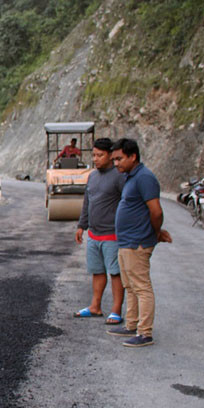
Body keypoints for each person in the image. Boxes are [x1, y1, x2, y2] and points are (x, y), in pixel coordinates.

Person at [105, 139, 172, 347]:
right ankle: (132, 324)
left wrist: (155, 232)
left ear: (133, 156)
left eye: (119, 159)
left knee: (141, 287)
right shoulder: (129, 178)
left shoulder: (144, 178)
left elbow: (156, 211)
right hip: (125, 242)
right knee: (130, 285)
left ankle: (145, 333)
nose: (116, 163)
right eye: (114, 159)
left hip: (137, 242)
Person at [74, 138, 125, 325]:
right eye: (94, 155)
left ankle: (116, 310)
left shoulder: (119, 176)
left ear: (110, 155)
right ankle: (95, 306)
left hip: (112, 234)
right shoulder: (92, 176)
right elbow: (87, 203)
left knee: (115, 273)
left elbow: (126, 203)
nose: (95, 159)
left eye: (100, 155)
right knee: (97, 271)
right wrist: (82, 225)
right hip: (94, 234)